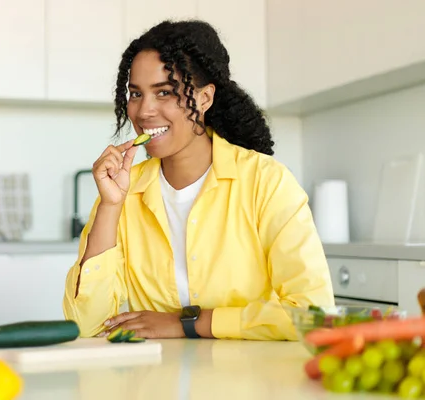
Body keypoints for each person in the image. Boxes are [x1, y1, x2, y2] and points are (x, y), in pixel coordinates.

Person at [62, 19, 334, 341]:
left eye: (164, 92)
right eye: (136, 93)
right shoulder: (122, 193)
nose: (144, 111)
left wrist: (189, 324)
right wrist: (110, 206)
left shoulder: (266, 182)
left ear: (205, 99)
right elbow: (86, 326)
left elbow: (314, 314)